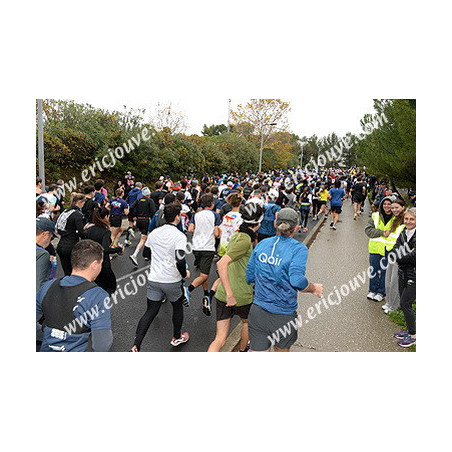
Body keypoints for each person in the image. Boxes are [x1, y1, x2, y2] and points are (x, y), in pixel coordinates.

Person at [246, 208, 323, 352]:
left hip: (258, 311)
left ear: (275, 223)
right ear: (296, 227)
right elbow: (297, 280)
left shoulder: (262, 244)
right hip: (283, 314)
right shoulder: (298, 249)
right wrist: (314, 288)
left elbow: (249, 276)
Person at [130, 204, 190, 351]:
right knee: (177, 307)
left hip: (154, 279)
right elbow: (180, 260)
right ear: (177, 217)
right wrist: (184, 274)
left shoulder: (154, 233)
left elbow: (146, 253)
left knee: (150, 312)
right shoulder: (179, 236)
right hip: (172, 280)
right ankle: (176, 336)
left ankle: (136, 345)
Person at [36, 239, 113, 352]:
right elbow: (102, 343)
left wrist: (47, 335)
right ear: (94, 265)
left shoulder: (47, 286)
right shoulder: (97, 296)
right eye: (100, 263)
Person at [207, 204, 264, 352]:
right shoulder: (244, 240)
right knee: (247, 323)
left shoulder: (238, 234)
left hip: (222, 293)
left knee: (220, 339)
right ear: (258, 222)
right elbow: (221, 263)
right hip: (239, 293)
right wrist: (230, 294)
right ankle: (242, 351)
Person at [186, 193, 222, 310]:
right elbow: (216, 233)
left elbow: (190, 229)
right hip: (208, 247)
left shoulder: (196, 215)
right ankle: (188, 289)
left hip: (196, 246)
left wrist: (200, 231)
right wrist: (217, 234)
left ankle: (206, 294)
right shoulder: (215, 215)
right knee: (204, 275)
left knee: (203, 272)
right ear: (212, 204)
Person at [364, 196, 396, 302]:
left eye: (389, 204)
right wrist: (382, 233)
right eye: (384, 204)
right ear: (381, 205)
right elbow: (368, 231)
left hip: (389, 249)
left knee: (384, 272)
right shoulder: (375, 216)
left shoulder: (397, 218)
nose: (386, 206)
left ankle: (381, 292)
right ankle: (372, 290)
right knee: (374, 270)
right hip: (375, 249)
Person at [392, 208, 416, 347]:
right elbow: (395, 249)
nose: (408, 221)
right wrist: (404, 255)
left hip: (415, 274)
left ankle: (413, 335)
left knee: (406, 303)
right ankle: (409, 330)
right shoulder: (403, 232)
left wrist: (401, 257)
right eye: (406, 219)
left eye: (412, 219)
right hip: (402, 272)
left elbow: (415, 256)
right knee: (404, 302)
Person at [85, 207, 123, 295]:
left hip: (92, 264)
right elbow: (105, 249)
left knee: (98, 289)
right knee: (110, 288)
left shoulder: (89, 230)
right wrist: (119, 249)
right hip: (104, 265)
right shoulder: (105, 232)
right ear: (106, 217)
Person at [382, 198, 407, 313]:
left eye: (397, 207)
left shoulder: (406, 220)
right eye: (392, 208)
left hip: (399, 254)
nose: (394, 210)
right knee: (388, 280)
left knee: (394, 282)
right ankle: (389, 302)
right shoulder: (395, 219)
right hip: (391, 252)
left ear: (403, 207)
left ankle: (394, 306)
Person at [55, 193, 87, 276]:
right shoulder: (77, 214)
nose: (84, 205)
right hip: (71, 245)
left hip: (61, 244)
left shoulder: (65, 212)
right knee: (75, 272)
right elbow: (81, 232)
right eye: (83, 203)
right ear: (79, 202)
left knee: (66, 272)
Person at [129, 187, 156, 267]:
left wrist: (134, 215)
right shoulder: (150, 201)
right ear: (148, 194)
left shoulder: (138, 200)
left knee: (146, 237)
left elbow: (131, 208)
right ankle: (135, 254)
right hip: (145, 220)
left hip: (139, 220)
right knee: (143, 239)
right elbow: (153, 211)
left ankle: (147, 254)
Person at [36, 217, 58, 292]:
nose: (49, 242)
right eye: (51, 238)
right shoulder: (42, 254)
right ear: (45, 234)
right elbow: (39, 285)